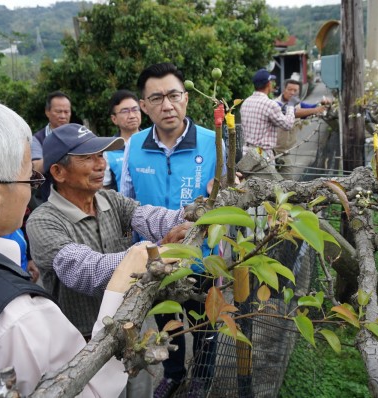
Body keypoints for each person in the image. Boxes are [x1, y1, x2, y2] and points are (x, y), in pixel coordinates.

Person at [0, 94, 152, 397]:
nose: (33, 187)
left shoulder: (109, 200)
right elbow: (86, 390)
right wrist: (122, 280)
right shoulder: (17, 318)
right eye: (29, 178)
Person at [26, 123, 192, 398]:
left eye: (101, 156)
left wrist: (195, 216)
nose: (100, 165)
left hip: (132, 332)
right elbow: (83, 270)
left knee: (140, 392)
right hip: (82, 344)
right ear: (58, 171)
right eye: (87, 158)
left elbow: (151, 218)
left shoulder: (110, 201)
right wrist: (153, 253)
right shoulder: (43, 221)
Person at [120, 62, 219, 398]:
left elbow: (228, 200)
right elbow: (127, 201)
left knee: (205, 324)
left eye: (174, 95)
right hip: (156, 259)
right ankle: (174, 375)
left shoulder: (212, 142)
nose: (167, 105)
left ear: (186, 98)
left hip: (201, 259)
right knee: (165, 323)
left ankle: (202, 379)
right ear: (144, 106)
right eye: (157, 98)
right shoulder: (134, 146)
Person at [273, 79, 330, 176]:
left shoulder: (298, 104)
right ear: (284, 90)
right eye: (290, 89)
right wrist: (316, 109)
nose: (292, 93)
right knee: (280, 180)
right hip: (273, 151)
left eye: (295, 91)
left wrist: (322, 103)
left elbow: (310, 107)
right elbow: (294, 112)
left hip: (286, 152)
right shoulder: (275, 104)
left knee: (286, 181)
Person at [240, 69, 296, 163]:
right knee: (267, 178)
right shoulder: (270, 104)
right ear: (268, 84)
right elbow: (288, 124)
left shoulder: (245, 102)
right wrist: (291, 106)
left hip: (246, 153)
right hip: (262, 155)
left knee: (250, 178)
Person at [103, 89, 142, 190]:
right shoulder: (108, 150)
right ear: (114, 119)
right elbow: (104, 187)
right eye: (125, 111)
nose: (132, 116)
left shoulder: (154, 142)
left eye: (135, 109)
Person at [31, 91, 72, 173]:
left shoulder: (80, 135)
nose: (63, 116)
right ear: (47, 112)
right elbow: (36, 168)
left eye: (66, 112)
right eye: (58, 112)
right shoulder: (36, 139)